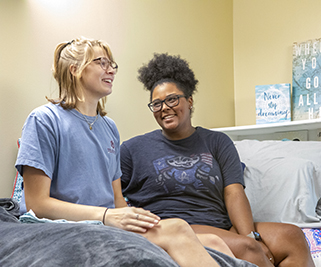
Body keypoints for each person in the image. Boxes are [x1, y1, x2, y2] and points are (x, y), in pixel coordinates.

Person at [14, 37, 235, 267]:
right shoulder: (44, 120)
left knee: (214, 242)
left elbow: (117, 199)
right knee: (178, 227)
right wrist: (106, 216)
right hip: (67, 226)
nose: (111, 70)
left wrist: (134, 217)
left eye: (112, 64)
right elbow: (36, 204)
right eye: (101, 63)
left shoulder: (109, 128)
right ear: (75, 69)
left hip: (107, 223)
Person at [120, 53, 316, 267]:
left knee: (292, 236)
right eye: (156, 104)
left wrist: (251, 236)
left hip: (221, 226)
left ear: (190, 100)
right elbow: (111, 195)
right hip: (176, 228)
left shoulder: (217, 142)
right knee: (247, 250)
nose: (164, 107)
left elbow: (234, 192)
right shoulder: (132, 149)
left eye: (172, 99)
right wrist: (249, 244)